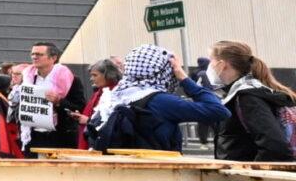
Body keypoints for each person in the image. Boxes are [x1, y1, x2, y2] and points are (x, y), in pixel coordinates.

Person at [85, 43, 227, 152]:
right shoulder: (161, 101)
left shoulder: (113, 97)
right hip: (158, 176)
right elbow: (219, 111)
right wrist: (184, 78)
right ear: (163, 71)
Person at [209, 40, 294, 162]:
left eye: (211, 60)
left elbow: (275, 147)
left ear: (222, 65)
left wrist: (252, 174)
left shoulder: (247, 98)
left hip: (245, 178)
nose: (209, 66)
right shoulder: (242, 93)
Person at [17, 40, 83, 149]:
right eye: (32, 54)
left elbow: (79, 107)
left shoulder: (71, 79)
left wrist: (59, 101)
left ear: (53, 58)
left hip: (60, 136)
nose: (34, 57)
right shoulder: (27, 78)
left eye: (39, 54)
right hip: (33, 136)